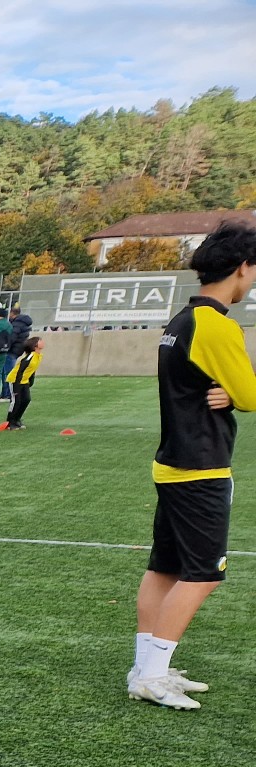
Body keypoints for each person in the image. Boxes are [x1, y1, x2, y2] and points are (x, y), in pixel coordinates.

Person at [129, 224, 256, 710]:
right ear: (242, 267)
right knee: (203, 574)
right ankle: (152, 675)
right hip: (201, 466)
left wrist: (232, 393)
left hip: (174, 463)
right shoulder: (217, 325)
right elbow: (248, 394)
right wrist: (237, 394)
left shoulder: (182, 320)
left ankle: (146, 668)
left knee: (165, 567)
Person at [1, 337, 43, 430]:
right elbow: (20, 370)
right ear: (35, 345)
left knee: (26, 400)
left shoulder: (39, 356)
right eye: (39, 340)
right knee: (16, 401)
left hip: (25, 381)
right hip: (15, 380)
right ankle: (10, 422)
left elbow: (32, 369)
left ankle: (17, 419)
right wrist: (17, 384)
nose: (42, 342)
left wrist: (31, 380)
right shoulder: (30, 356)